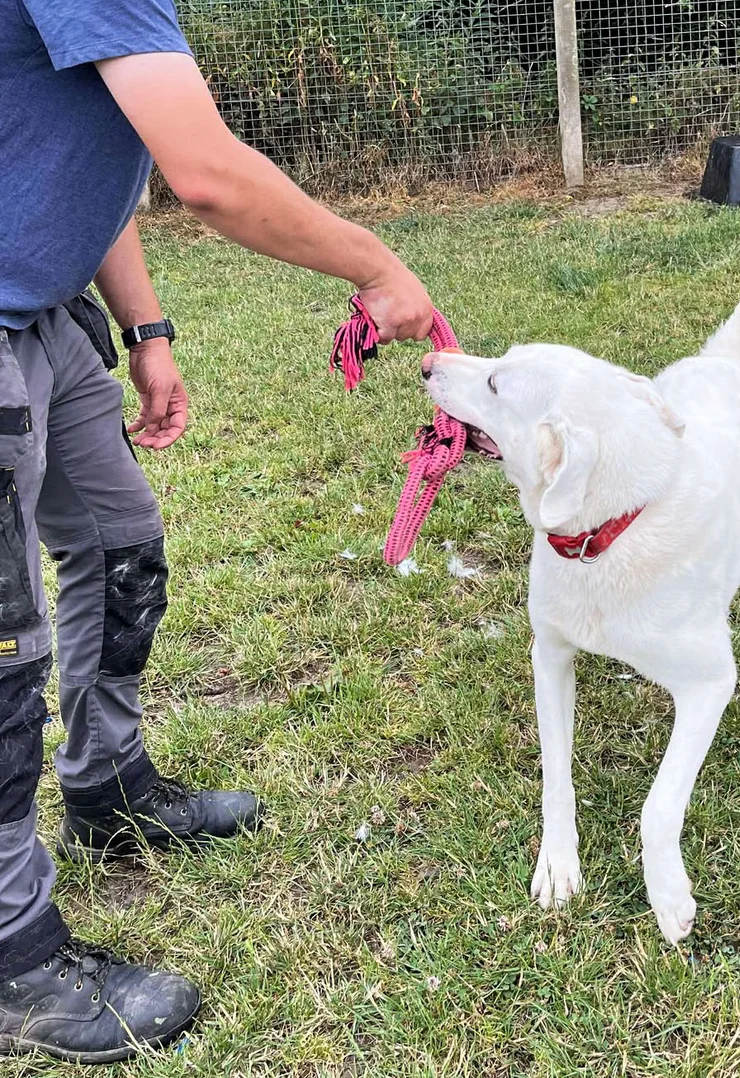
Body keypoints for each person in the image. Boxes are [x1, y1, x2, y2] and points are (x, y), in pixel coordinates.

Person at [0, 0, 433, 1064]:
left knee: (118, 544)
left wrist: (147, 329)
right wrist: (375, 264)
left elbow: (89, 152)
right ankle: (12, 952)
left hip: (42, 316)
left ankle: (107, 787)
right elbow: (206, 172)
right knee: (5, 649)